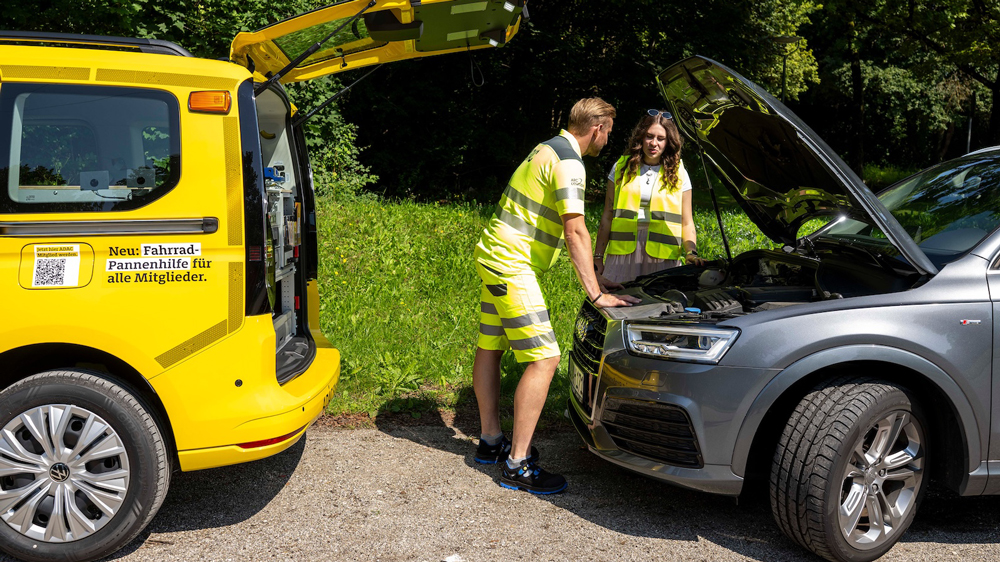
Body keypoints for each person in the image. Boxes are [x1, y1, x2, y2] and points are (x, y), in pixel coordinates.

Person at [471, 97, 641, 495]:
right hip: (511, 264)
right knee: (545, 359)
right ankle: (517, 464)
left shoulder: (546, 147)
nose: (607, 141)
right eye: (608, 133)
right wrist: (596, 294)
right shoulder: (569, 161)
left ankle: (491, 442)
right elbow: (575, 229)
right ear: (597, 129)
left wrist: (597, 276)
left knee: (490, 345)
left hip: (494, 255)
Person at [594, 109, 706, 284]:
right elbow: (607, 215)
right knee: (618, 297)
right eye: (649, 136)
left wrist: (691, 252)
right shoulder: (621, 167)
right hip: (622, 253)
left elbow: (687, 221)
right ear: (641, 137)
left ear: (669, 141)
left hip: (663, 256)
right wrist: (598, 257)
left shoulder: (680, 173)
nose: (654, 143)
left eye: (660, 138)